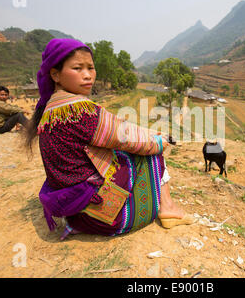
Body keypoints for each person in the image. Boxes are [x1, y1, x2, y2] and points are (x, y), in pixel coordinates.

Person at [25, 38, 194, 241]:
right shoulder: (79, 111)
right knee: (150, 153)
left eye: (90, 68)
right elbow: (126, 138)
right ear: (55, 74)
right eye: (78, 68)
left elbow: (120, 129)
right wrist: (158, 142)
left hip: (75, 214)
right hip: (102, 219)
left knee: (128, 150)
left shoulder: (51, 109)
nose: (88, 75)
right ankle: (168, 208)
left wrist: (147, 134)